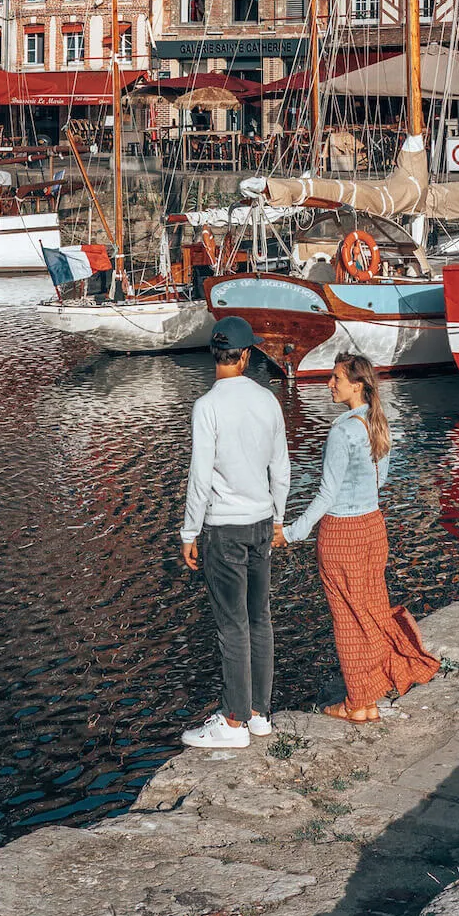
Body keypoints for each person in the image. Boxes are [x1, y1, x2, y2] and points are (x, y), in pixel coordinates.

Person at [281, 352, 439, 722]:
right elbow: (380, 481)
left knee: (348, 619)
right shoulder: (378, 421)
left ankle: (358, 704)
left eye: (336, 378)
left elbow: (326, 494)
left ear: (357, 384)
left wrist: (291, 532)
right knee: (370, 610)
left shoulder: (342, 430)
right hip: (373, 526)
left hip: (343, 534)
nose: (330, 384)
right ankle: (369, 692)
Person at [180, 316, 291, 750]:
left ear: (216, 355)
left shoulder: (206, 406)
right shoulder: (268, 401)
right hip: (263, 522)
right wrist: (279, 518)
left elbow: (199, 477)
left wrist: (189, 533)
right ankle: (260, 714)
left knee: (232, 626)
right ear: (245, 355)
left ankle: (232, 721)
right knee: (259, 617)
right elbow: (280, 468)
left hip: (223, 529)